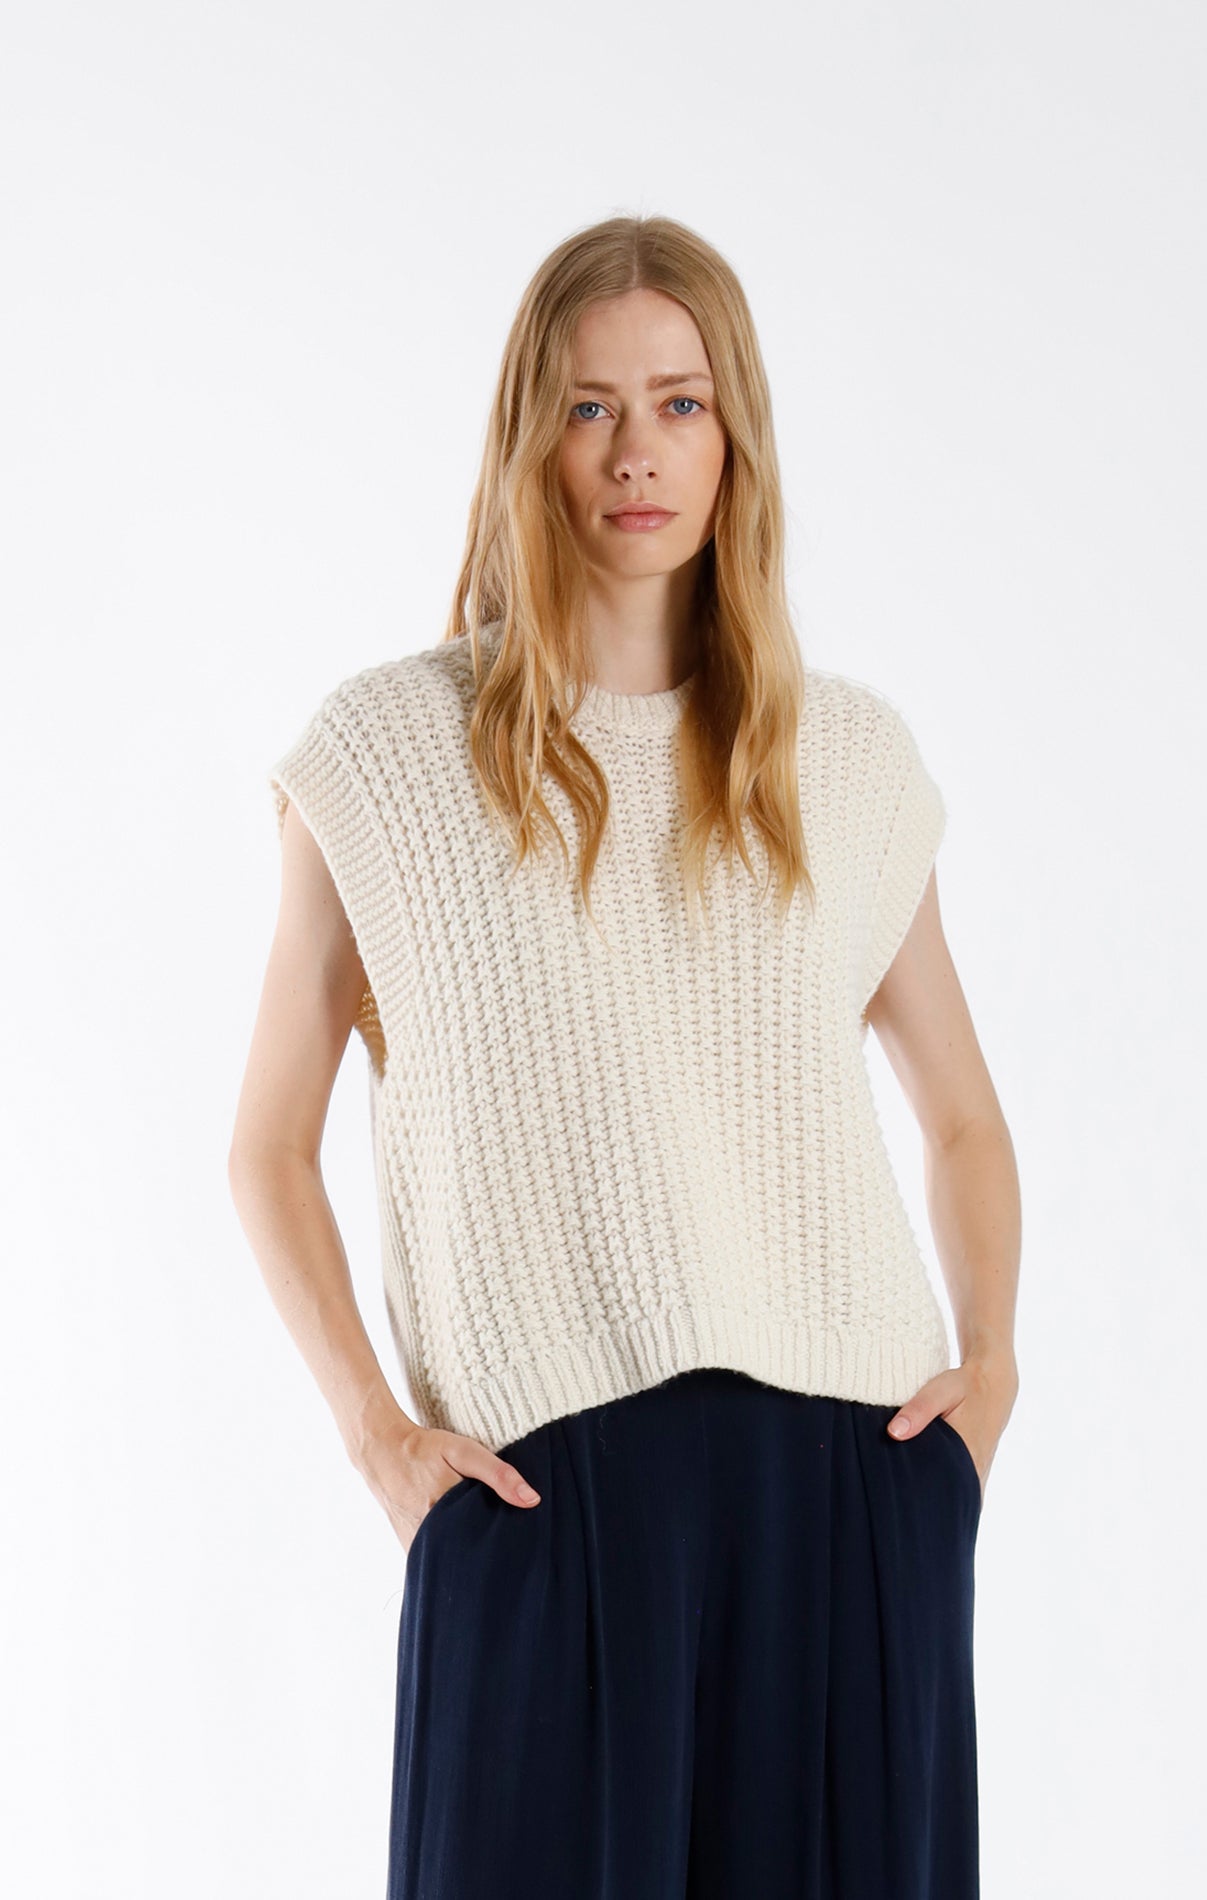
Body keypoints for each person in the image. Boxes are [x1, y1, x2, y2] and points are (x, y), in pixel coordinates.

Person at [228, 213, 1021, 1900]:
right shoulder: (390, 753)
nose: (635, 452)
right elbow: (267, 1146)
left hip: (850, 1491)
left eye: (679, 404)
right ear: (531, 436)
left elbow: (962, 1117)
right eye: (589, 408)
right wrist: (377, 1435)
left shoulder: (844, 763)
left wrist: (991, 1374)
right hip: (544, 1499)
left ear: (736, 438)